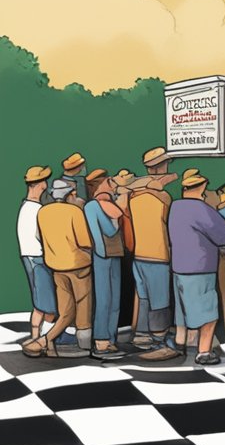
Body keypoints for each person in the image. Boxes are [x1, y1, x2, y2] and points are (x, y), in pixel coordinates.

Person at [167, 172, 225, 365]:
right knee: (207, 311)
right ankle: (204, 352)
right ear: (203, 188)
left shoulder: (175, 206)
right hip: (200, 266)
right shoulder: (201, 209)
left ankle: (181, 343)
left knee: (183, 310)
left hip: (179, 265)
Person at [24, 179, 94, 357]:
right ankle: (82, 345)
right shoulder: (74, 211)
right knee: (82, 305)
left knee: (66, 310)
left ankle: (48, 343)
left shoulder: (43, 212)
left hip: (56, 266)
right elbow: (85, 241)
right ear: (69, 195)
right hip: (79, 266)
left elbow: (39, 236)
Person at [126, 148, 178, 359]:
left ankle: (141, 335)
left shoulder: (132, 197)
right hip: (159, 254)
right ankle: (159, 339)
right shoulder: (164, 198)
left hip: (139, 254)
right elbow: (170, 225)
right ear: (159, 167)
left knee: (144, 297)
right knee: (160, 300)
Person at [83, 170, 128, 360]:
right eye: (109, 181)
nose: (112, 184)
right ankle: (101, 342)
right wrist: (118, 215)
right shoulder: (93, 205)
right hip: (103, 256)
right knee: (104, 300)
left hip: (114, 254)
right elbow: (109, 230)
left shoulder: (106, 203)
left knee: (114, 300)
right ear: (100, 184)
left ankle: (111, 340)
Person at [17, 166, 57, 345]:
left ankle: (35, 336)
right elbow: (43, 237)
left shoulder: (25, 207)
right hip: (39, 258)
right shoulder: (38, 210)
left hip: (27, 256)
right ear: (40, 184)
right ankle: (45, 341)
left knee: (38, 300)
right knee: (49, 305)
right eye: (44, 181)